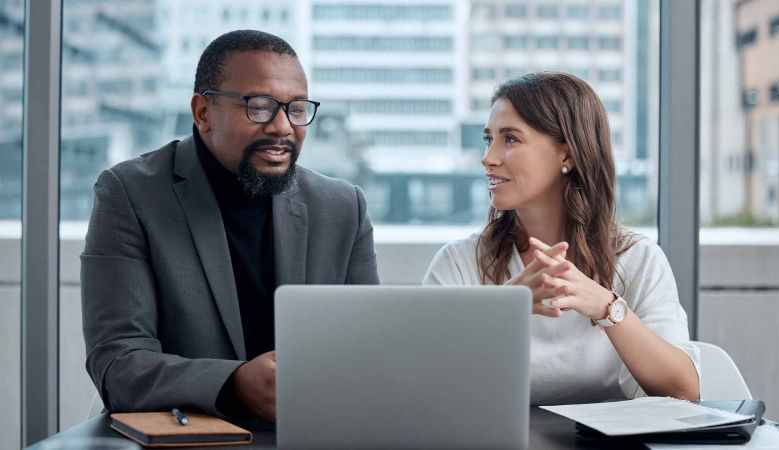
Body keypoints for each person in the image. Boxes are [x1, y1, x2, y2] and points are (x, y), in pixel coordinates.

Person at [81, 30, 379, 425]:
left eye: (297, 108)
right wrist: (233, 382)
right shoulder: (131, 194)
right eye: (259, 106)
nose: (283, 127)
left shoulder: (342, 207)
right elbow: (118, 363)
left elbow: (373, 353)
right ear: (203, 113)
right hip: (186, 437)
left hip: (312, 431)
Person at [423, 72, 700, 404]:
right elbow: (424, 387)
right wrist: (505, 307)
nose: (488, 157)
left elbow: (684, 390)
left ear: (567, 155)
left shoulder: (638, 259)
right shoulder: (460, 263)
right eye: (489, 139)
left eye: (510, 138)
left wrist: (606, 306)